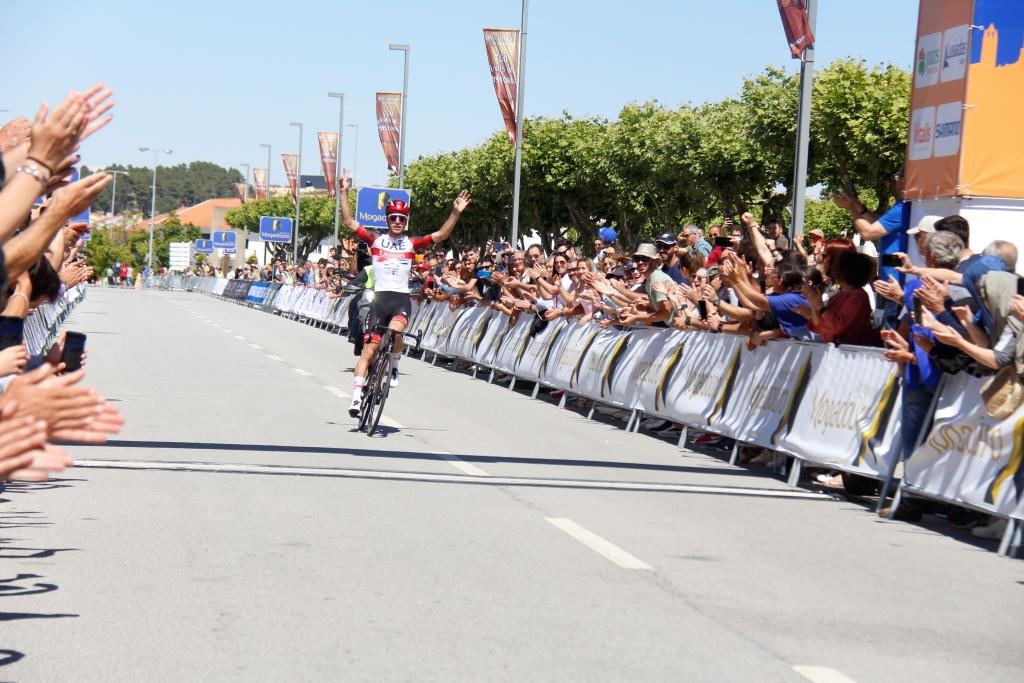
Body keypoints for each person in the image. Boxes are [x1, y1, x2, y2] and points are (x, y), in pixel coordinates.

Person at [338, 170, 471, 417]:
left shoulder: (412, 244)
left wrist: (455, 212)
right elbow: (348, 222)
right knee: (368, 351)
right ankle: (356, 398)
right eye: (393, 218)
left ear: (405, 221)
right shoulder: (376, 241)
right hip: (379, 300)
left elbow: (441, 235)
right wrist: (344, 192)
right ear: (387, 220)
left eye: (401, 218)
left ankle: (395, 365)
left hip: (399, 300)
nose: (397, 221)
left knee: (397, 331)